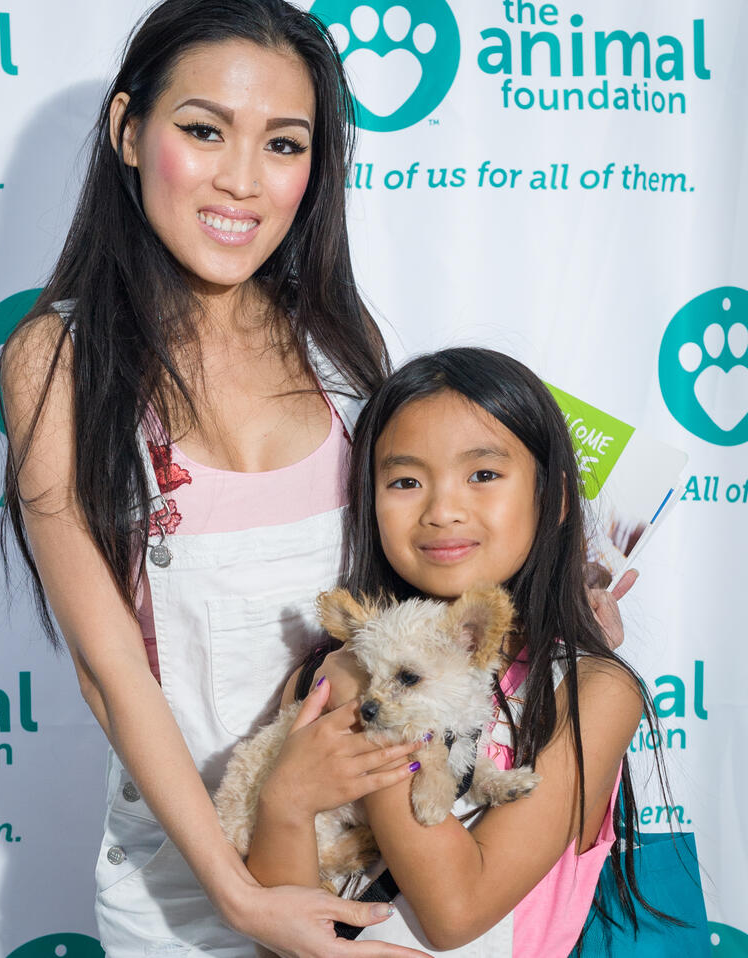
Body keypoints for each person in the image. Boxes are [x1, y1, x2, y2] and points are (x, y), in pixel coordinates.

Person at [0, 0, 434, 958]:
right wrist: (240, 900)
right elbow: (111, 673)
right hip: (186, 887)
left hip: (377, 854)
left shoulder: (343, 344)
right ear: (126, 130)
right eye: (204, 130)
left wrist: (552, 602)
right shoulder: (55, 360)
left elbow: (412, 587)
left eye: (283, 144)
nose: (243, 179)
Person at [245, 348, 661, 956]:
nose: (442, 510)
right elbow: (282, 929)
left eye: (484, 475)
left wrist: (370, 703)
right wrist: (283, 799)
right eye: (406, 481)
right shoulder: (323, 670)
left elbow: (455, 910)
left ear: (557, 498)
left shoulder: (589, 692)